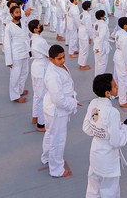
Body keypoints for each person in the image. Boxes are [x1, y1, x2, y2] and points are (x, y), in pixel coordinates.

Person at [82, 73, 127, 198]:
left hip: (95, 152)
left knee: (93, 188)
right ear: (108, 93)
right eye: (114, 86)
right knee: (109, 190)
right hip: (108, 157)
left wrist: (100, 132)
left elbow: (86, 128)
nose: (117, 86)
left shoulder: (93, 103)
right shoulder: (112, 112)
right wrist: (124, 129)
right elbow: (116, 142)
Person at [41, 44, 80, 178]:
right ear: (51, 59)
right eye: (59, 58)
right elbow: (58, 100)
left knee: (50, 134)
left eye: (63, 57)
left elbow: (65, 88)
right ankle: (56, 169)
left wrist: (73, 98)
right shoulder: (52, 74)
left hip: (54, 107)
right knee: (57, 140)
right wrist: (72, 103)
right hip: (56, 110)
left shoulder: (58, 67)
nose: (63, 60)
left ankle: (46, 157)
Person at [4, 5, 30, 103]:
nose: (18, 14)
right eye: (16, 12)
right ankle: (15, 96)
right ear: (11, 14)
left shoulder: (23, 22)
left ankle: (20, 90)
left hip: (25, 51)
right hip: (15, 54)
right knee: (15, 76)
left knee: (24, 73)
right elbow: (7, 44)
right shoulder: (9, 27)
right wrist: (9, 60)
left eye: (19, 12)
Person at [29, 19, 49, 131]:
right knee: (42, 96)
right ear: (36, 29)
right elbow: (49, 53)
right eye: (39, 25)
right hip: (41, 68)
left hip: (36, 67)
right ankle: (41, 124)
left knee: (37, 94)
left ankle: (35, 116)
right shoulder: (40, 41)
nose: (41, 26)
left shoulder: (33, 38)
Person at [113, 17, 127, 109]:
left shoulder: (119, 32)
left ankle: (116, 93)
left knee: (117, 77)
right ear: (125, 25)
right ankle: (122, 101)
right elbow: (126, 52)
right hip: (123, 58)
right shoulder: (125, 37)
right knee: (124, 80)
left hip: (117, 56)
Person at [93, 10, 111, 76]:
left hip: (96, 43)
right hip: (102, 45)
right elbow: (102, 37)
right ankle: (100, 79)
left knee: (97, 62)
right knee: (102, 63)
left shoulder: (96, 23)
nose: (105, 16)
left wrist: (96, 45)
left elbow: (94, 35)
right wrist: (99, 48)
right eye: (104, 15)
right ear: (101, 17)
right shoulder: (103, 25)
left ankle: (96, 77)